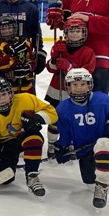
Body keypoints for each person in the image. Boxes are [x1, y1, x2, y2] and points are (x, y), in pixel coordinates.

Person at [0, 77, 57, 198]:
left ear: (10, 93)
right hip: (3, 144)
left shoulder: (26, 99)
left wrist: (36, 118)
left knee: (34, 137)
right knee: (6, 179)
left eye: (4, 94)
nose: (2, 99)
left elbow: (53, 113)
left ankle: (32, 176)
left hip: (21, 137)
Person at [53, 68, 109, 209]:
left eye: (83, 84)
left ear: (90, 85)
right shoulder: (62, 109)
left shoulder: (102, 100)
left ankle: (102, 187)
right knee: (89, 182)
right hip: (86, 149)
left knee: (103, 144)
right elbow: (66, 134)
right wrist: (62, 147)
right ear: (68, 87)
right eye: (75, 85)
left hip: (108, 142)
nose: (79, 88)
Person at [44, 18, 96, 159]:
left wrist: (69, 68)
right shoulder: (60, 47)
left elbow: (87, 73)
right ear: (66, 32)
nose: (74, 34)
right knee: (54, 119)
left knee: (73, 119)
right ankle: (52, 144)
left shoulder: (88, 52)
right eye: (71, 31)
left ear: (83, 33)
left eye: (78, 31)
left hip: (76, 92)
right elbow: (49, 68)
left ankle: (72, 143)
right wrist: (54, 59)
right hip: (56, 90)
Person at [0, 15, 36, 94]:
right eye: (3, 29)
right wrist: (13, 53)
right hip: (4, 90)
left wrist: (27, 68)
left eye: (9, 28)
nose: (6, 31)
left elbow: (31, 61)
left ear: (14, 28)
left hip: (26, 87)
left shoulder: (25, 42)